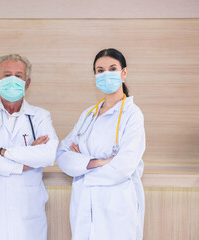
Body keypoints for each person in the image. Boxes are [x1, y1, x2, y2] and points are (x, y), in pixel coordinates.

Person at [56, 48, 146, 240]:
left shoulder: (132, 115)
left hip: (117, 208)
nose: (106, 74)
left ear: (124, 72)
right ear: (95, 75)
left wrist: (82, 168)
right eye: (100, 70)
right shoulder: (88, 114)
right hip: (84, 207)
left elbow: (124, 167)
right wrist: (97, 162)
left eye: (112, 68)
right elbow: (63, 155)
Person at [0, 54, 58, 240]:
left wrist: (0, 154)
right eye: (7, 75)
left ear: (27, 82)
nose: (12, 80)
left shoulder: (40, 116)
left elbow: (48, 155)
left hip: (28, 215)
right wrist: (26, 161)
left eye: (18, 76)